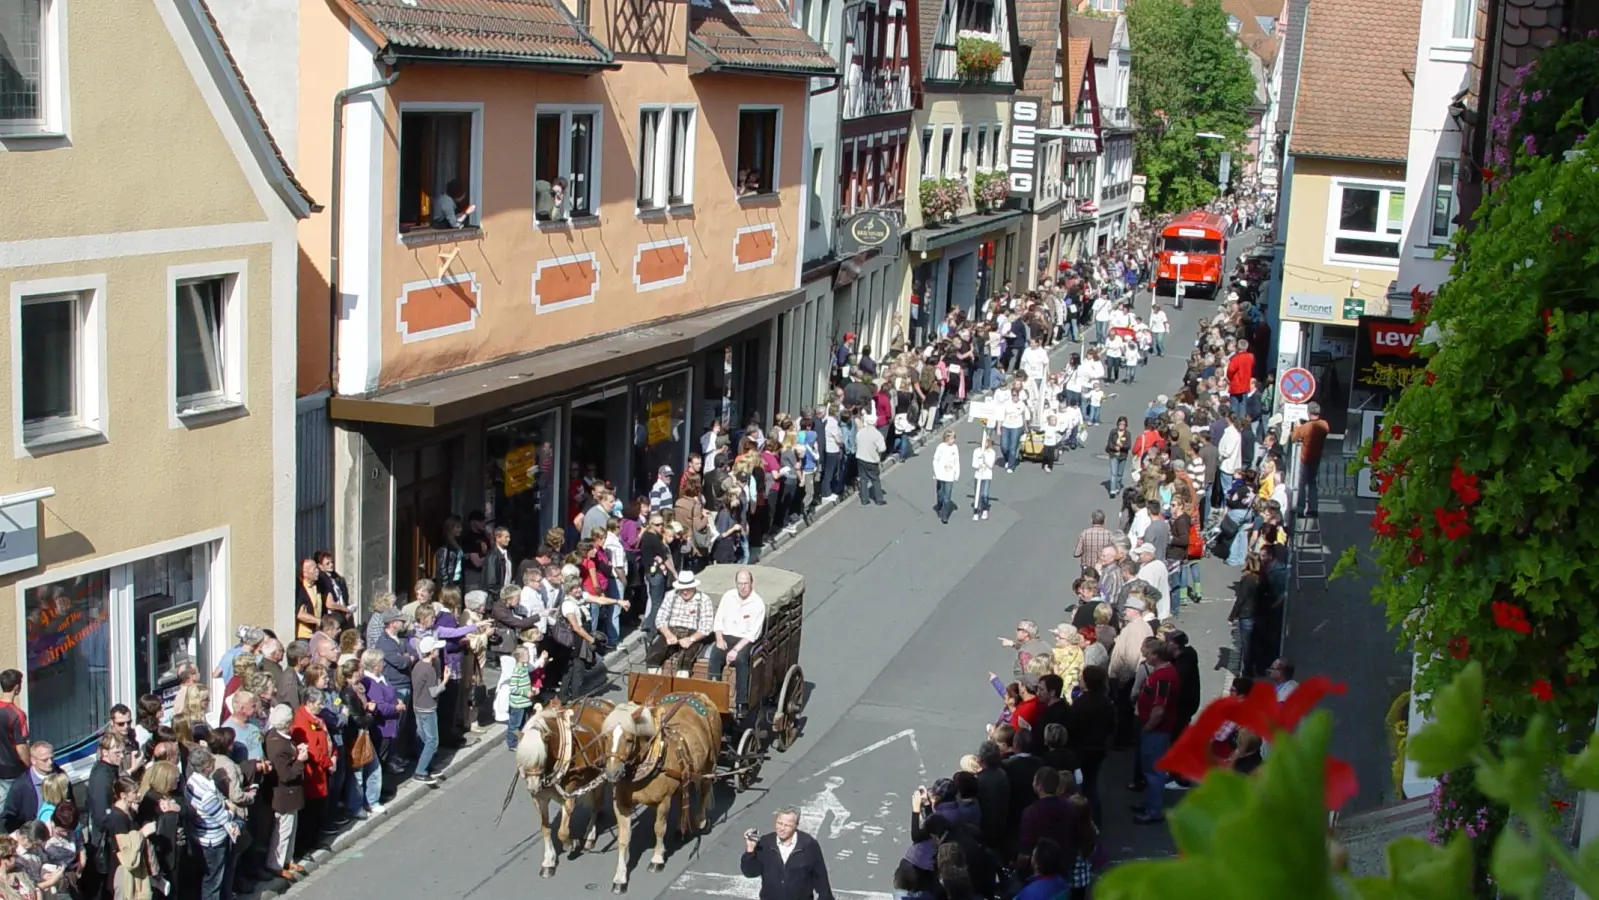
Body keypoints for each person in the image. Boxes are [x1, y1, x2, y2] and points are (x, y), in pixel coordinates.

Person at [740, 806, 834, 900]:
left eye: (787, 825)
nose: (781, 828)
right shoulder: (766, 843)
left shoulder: (809, 846)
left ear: (796, 825)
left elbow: (822, 881)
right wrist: (750, 850)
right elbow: (750, 872)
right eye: (779, 823)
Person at [708, 569, 766, 719]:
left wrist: (735, 650)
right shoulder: (728, 596)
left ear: (752, 584)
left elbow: (753, 633)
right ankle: (713, 696)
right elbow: (719, 619)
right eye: (740, 584)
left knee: (741, 660)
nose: (743, 587)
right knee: (714, 657)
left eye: (746, 584)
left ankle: (742, 702)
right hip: (726, 636)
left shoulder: (758, 603)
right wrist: (719, 639)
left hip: (744, 640)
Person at [186, 746, 239, 900]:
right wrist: (232, 809)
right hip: (213, 840)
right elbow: (223, 817)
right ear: (207, 766)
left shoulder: (192, 781)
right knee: (214, 880)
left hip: (200, 835)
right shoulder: (207, 793)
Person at [263, 704, 307, 882]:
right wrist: (300, 760)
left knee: (291, 828)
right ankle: (276, 864)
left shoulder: (277, 736)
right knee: (283, 831)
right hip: (284, 795)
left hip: (291, 795)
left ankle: (287, 859)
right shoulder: (279, 746)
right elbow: (286, 775)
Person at [645, 572, 716, 677]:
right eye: (683, 589)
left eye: (688, 588)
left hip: (693, 633)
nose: (685, 591)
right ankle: (654, 681)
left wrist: (691, 639)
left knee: (685, 660)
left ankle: (682, 684)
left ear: (694, 586)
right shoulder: (671, 596)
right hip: (671, 630)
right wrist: (668, 635)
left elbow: (707, 627)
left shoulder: (704, 600)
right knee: (654, 655)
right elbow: (660, 619)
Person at [409, 637, 450, 786]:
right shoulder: (430, 670)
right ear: (431, 651)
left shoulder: (417, 666)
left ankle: (426, 764)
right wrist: (445, 680)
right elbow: (434, 692)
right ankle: (420, 771)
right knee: (432, 741)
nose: (438, 651)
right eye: (436, 649)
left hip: (417, 706)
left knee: (423, 738)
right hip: (428, 708)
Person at [1291, 402, 1330, 517]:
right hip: (1317, 457)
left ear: (1308, 413)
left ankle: (1300, 509)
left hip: (1305, 457)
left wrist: (1298, 427)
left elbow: (1294, 437)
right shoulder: (1324, 424)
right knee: (1312, 483)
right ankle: (1313, 509)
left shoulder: (1306, 427)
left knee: (1301, 484)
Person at [0, 672, 27, 806]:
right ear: (17, 687)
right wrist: (30, 766)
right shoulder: (17, 714)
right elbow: (21, 747)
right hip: (11, 769)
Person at [854, 412, 887, 506]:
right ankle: (879, 499)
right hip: (872, 460)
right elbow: (882, 448)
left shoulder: (860, 432)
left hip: (860, 458)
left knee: (863, 479)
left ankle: (864, 499)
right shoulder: (877, 434)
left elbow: (856, 442)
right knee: (875, 479)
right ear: (875, 423)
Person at [931, 430, 960, 524]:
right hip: (941, 474)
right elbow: (935, 460)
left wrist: (956, 473)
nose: (954, 440)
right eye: (952, 438)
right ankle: (939, 505)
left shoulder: (955, 448)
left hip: (950, 475)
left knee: (947, 496)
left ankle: (945, 515)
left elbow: (957, 461)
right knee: (940, 493)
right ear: (947, 438)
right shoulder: (941, 447)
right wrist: (936, 472)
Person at [971, 431, 996, 521]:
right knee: (977, 494)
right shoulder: (976, 451)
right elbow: (974, 464)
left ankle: (985, 509)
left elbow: (990, 465)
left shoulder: (992, 452)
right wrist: (979, 463)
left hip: (987, 475)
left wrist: (984, 459)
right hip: (978, 475)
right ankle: (976, 511)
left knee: (984, 494)